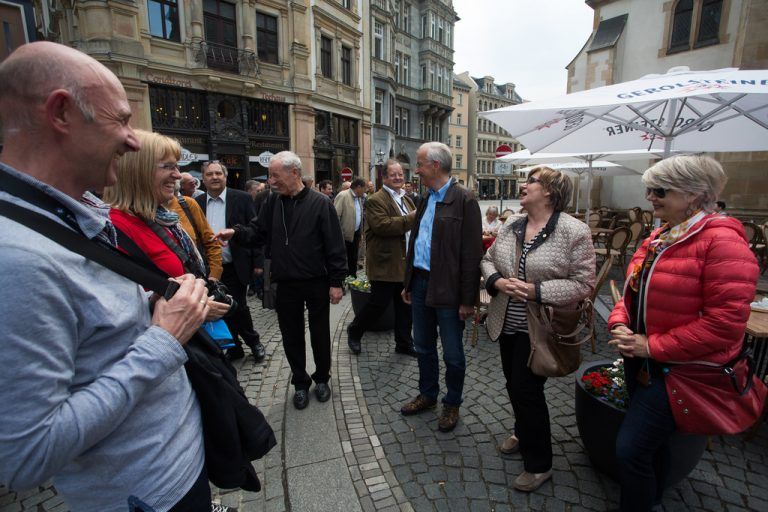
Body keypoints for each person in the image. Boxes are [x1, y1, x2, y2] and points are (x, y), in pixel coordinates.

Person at [0, 41, 211, 511]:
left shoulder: (72, 216)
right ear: (61, 112)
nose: (132, 140)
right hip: (144, 496)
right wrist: (163, 339)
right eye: (121, 119)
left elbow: (92, 332)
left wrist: (154, 303)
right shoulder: (16, 258)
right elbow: (27, 455)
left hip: (169, 473)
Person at [608, 155, 758, 512]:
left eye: (660, 190)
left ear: (694, 194)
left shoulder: (722, 242)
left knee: (630, 450)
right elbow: (631, 292)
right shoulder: (660, 235)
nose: (650, 196)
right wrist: (619, 322)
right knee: (652, 446)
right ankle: (654, 498)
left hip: (682, 371)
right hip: (644, 362)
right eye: (649, 188)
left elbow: (725, 325)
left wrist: (650, 345)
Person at [480, 166, 595, 492]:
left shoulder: (574, 231)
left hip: (542, 328)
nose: (523, 185)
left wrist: (535, 291)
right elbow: (487, 258)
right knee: (514, 384)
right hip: (507, 322)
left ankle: (539, 463)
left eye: (531, 181)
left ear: (549, 191)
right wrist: (496, 281)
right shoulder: (512, 225)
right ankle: (522, 429)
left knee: (526, 390)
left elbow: (583, 284)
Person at [215, 151, 347, 410]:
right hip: (285, 282)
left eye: (275, 175)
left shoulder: (321, 203)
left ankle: (322, 378)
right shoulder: (272, 202)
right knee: (291, 335)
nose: (271, 181)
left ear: (294, 173)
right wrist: (236, 232)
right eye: (270, 175)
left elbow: (335, 245)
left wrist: (336, 281)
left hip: (316, 281)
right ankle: (300, 381)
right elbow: (257, 231)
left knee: (320, 333)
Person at [103, 129, 231, 322]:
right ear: (139, 171)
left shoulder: (160, 220)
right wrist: (195, 309)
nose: (178, 175)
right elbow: (117, 308)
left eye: (177, 167)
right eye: (168, 167)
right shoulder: (114, 227)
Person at [400, 142, 483, 433]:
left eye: (420, 163)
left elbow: (473, 256)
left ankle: (452, 401)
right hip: (421, 283)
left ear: (435, 165)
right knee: (422, 345)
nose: (416, 169)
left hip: (449, 289)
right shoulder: (425, 198)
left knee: (452, 353)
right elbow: (416, 244)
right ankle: (428, 394)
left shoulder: (465, 199)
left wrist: (467, 300)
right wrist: (409, 281)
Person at [347, 160, 417, 357]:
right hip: (385, 263)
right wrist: (413, 217)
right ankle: (355, 330)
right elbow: (383, 226)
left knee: (405, 306)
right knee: (378, 305)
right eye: (393, 175)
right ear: (384, 178)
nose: (398, 178)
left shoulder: (406, 198)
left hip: (405, 263)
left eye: (400, 174)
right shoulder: (376, 199)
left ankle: (403, 343)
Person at [197, 161, 265, 361]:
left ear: (225, 177)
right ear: (204, 178)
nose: (215, 177)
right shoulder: (197, 203)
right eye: (210, 174)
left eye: (219, 173)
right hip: (209, 269)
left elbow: (256, 231)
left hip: (236, 264)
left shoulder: (241, 199)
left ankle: (254, 342)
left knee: (238, 306)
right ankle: (235, 347)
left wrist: (258, 263)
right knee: (219, 308)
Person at [168, 181, 223, 281]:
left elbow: (211, 241)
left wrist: (214, 276)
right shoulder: (140, 212)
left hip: (197, 281)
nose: (177, 175)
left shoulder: (187, 204)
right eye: (166, 167)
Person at [335, 177, 367, 277]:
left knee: (353, 258)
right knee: (344, 260)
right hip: (343, 236)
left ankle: (352, 278)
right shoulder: (343, 195)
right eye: (364, 188)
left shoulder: (358, 197)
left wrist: (361, 232)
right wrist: (338, 234)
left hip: (355, 234)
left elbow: (359, 215)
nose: (365, 191)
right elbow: (336, 216)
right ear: (358, 187)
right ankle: (343, 281)